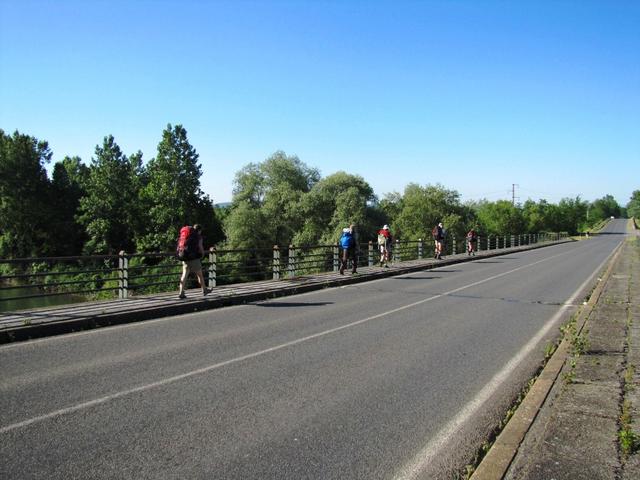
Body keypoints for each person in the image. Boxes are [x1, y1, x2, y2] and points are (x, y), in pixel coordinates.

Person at [178, 224, 210, 298]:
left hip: (184, 256)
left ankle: (181, 292)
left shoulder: (188, 235)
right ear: (199, 230)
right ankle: (204, 290)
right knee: (200, 275)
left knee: (184, 275)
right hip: (193, 258)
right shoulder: (198, 236)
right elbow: (200, 247)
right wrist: (202, 254)